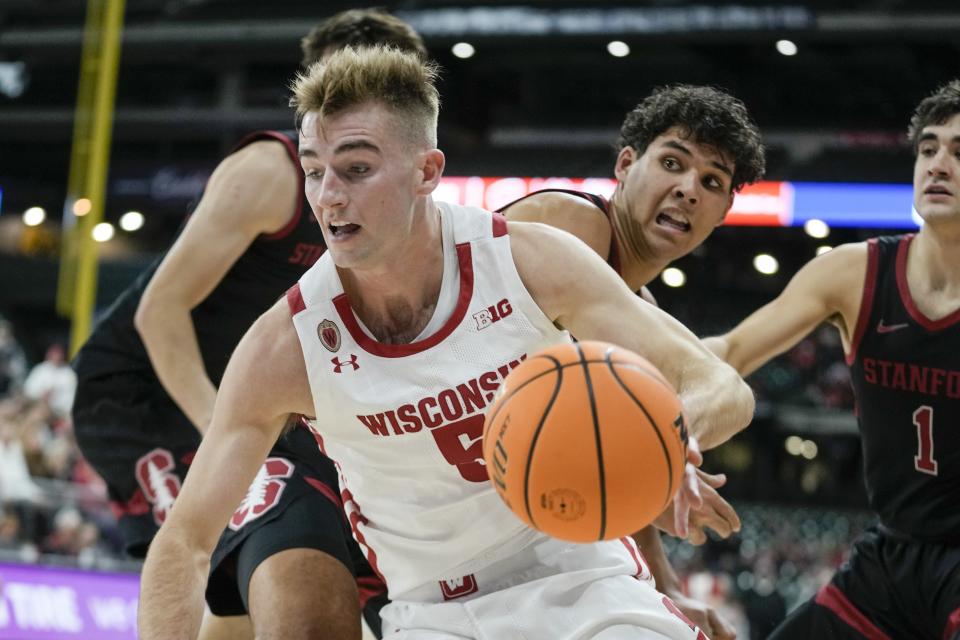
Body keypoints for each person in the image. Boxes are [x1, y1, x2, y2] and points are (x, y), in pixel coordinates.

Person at [138, 45, 756, 640]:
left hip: (584, 579)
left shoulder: (531, 258)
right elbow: (185, 542)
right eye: (314, 170)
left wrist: (670, 443)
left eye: (356, 169)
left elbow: (719, 386)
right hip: (433, 611)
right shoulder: (286, 344)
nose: (327, 197)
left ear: (427, 171)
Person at [71, 10, 426, 640]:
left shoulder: (397, 203)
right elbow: (160, 311)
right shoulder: (273, 172)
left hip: (245, 389)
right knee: (269, 536)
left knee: (252, 580)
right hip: (142, 392)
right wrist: (224, 438)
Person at [501, 83, 766, 640]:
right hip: (350, 442)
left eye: (711, 183)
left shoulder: (634, 309)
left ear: (723, 213)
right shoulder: (570, 222)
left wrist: (665, 584)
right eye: (672, 163)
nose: (688, 190)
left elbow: (730, 394)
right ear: (626, 164)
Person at [704, 80, 960, 640]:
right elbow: (730, 350)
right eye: (929, 148)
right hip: (893, 553)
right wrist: (639, 376)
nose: (939, 163)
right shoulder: (855, 273)